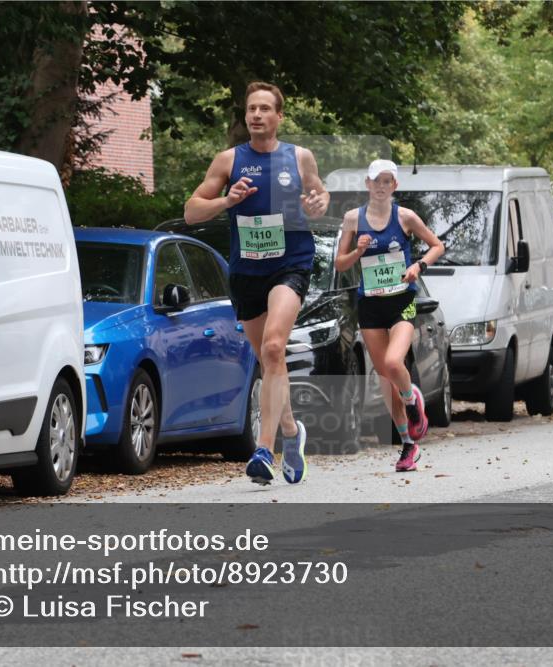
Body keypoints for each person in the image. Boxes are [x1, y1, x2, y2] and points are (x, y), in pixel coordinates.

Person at [184, 81, 329, 485]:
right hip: (247, 271)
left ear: (279, 116)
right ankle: (290, 431)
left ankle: (263, 450)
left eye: (266, 108)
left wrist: (317, 203)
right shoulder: (228, 161)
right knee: (270, 362)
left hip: (291, 264)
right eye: (252, 109)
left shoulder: (299, 158)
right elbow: (192, 211)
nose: (257, 115)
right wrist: (226, 202)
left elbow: (319, 197)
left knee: (273, 347)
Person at [334, 159, 445, 471]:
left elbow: (437, 245)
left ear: (394, 186)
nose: (381, 187)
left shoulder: (405, 217)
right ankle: (408, 446)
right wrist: (357, 251)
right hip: (370, 305)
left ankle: (413, 402)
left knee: (395, 363)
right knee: (385, 378)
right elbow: (340, 264)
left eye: (387, 181)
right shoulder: (353, 219)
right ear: (367, 184)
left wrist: (417, 266)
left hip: (402, 303)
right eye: (375, 181)